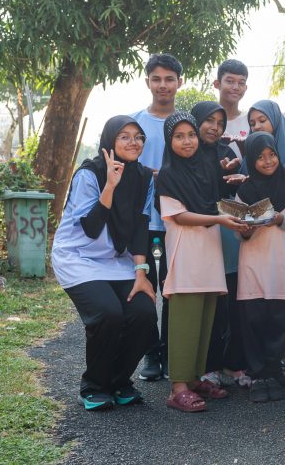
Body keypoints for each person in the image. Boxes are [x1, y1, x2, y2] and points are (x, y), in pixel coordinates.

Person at [51, 115, 157, 410]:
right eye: (124, 136)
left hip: (117, 259)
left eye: (138, 136)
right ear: (110, 140)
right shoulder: (90, 174)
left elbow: (141, 225)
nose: (133, 142)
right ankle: (94, 386)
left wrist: (141, 272)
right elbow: (91, 227)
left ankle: (119, 381)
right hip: (78, 256)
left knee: (144, 313)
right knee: (108, 313)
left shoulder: (144, 177)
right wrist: (110, 185)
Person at [156, 112, 246, 413]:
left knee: (205, 316)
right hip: (186, 251)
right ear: (169, 141)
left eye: (191, 135)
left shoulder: (206, 170)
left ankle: (194, 379)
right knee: (185, 319)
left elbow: (217, 200)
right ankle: (178, 387)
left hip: (209, 249)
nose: (187, 141)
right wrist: (219, 219)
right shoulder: (168, 173)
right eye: (179, 136)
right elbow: (179, 215)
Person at [235, 131, 285, 402]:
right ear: (251, 160)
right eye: (260, 157)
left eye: (272, 155)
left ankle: (274, 373)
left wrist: (281, 219)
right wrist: (246, 228)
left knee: (279, 319)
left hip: (282, 261)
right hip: (253, 261)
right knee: (254, 318)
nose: (268, 161)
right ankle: (258, 375)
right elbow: (238, 230)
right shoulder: (244, 191)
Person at [130, 53, 183, 381]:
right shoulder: (134, 123)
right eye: (156, 79)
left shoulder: (186, 123)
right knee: (146, 286)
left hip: (180, 221)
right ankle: (150, 352)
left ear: (180, 82)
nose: (163, 85)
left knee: (174, 290)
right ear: (147, 82)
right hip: (143, 221)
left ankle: (172, 352)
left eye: (169, 79)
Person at [190, 101, 250, 390]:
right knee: (209, 303)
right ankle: (209, 365)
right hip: (198, 236)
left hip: (227, 235)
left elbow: (233, 196)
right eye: (209, 121)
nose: (214, 127)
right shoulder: (186, 153)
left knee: (234, 301)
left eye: (220, 123)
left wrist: (233, 178)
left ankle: (234, 363)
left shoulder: (228, 153)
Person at [247, 99, 285, 183]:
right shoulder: (251, 151)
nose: (256, 127)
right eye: (252, 124)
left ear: (275, 119)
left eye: (262, 120)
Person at [214, 58, 250, 160]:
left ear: (245, 88)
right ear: (217, 84)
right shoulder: (205, 120)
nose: (236, 87)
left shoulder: (251, 121)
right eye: (230, 81)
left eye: (241, 83)